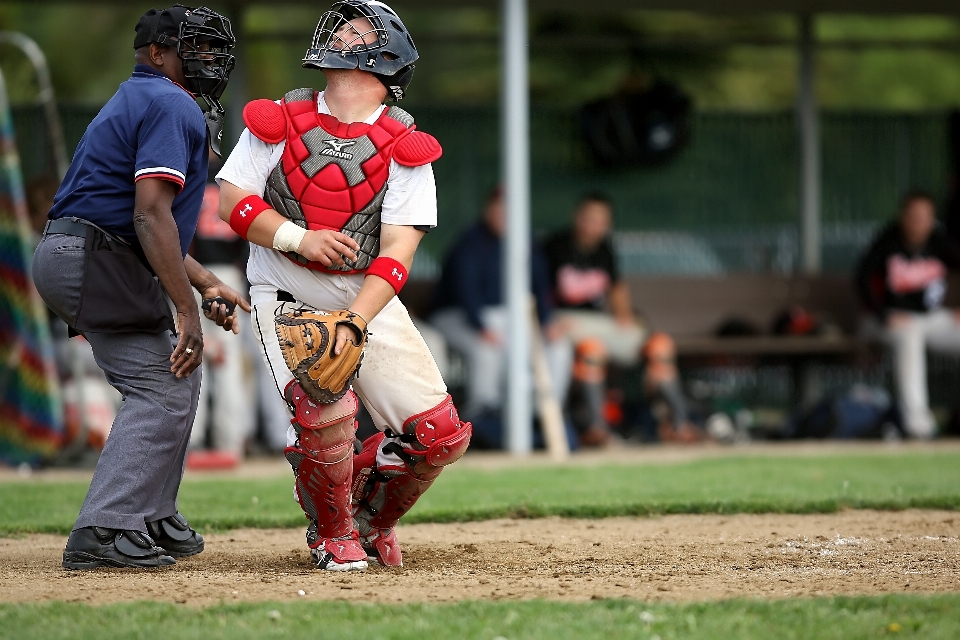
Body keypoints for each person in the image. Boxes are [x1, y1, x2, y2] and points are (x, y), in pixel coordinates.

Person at [216, 0, 471, 572]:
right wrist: (299, 240)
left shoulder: (406, 147)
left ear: (385, 58)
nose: (340, 33)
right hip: (285, 287)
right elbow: (233, 202)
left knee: (438, 435)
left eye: (358, 31)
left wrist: (355, 320)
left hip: (365, 298)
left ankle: (372, 520)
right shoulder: (281, 118)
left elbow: (400, 250)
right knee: (323, 411)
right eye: (342, 26)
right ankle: (332, 534)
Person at [31, 6, 247, 570]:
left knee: (176, 374)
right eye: (191, 48)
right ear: (157, 53)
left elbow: (150, 228)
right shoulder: (170, 101)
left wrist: (202, 281)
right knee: (159, 382)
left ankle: (149, 513)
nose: (206, 60)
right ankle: (105, 527)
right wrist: (187, 309)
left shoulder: (146, 96)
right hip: (94, 257)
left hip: (86, 253)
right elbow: (150, 217)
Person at [543, 194, 696, 444]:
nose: (595, 227)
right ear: (577, 218)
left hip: (600, 325)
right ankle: (598, 430)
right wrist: (548, 319)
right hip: (565, 323)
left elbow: (617, 288)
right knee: (591, 349)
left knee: (660, 346)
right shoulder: (554, 247)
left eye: (601, 221)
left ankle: (680, 424)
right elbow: (538, 292)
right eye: (590, 219)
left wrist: (624, 316)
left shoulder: (604, 248)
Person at [431, 188, 572, 446]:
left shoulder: (525, 241)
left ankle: (542, 414)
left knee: (558, 347)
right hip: (457, 317)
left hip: (509, 319)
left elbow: (539, 288)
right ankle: (484, 413)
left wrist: (547, 321)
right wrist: (480, 325)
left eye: (508, 210)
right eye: (497, 208)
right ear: (488, 209)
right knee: (488, 348)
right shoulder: (471, 241)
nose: (502, 215)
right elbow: (465, 290)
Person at [856, 191, 960, 438]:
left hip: (931, 318)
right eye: (913, 216)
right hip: (890, 318)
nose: (918, 222)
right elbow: (862, 280)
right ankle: (919, 426)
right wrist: (883, 314)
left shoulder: (939, 241)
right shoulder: (887, 241)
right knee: (909, 334)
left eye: (924, 217)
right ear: (903, 217)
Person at [187, 152, 254, 468]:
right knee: (227, 361)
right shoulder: (235, 176)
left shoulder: (188, 174)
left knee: (190, 354)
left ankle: (191, 440)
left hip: (194, 275)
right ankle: (232, 439)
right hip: (229, 276)